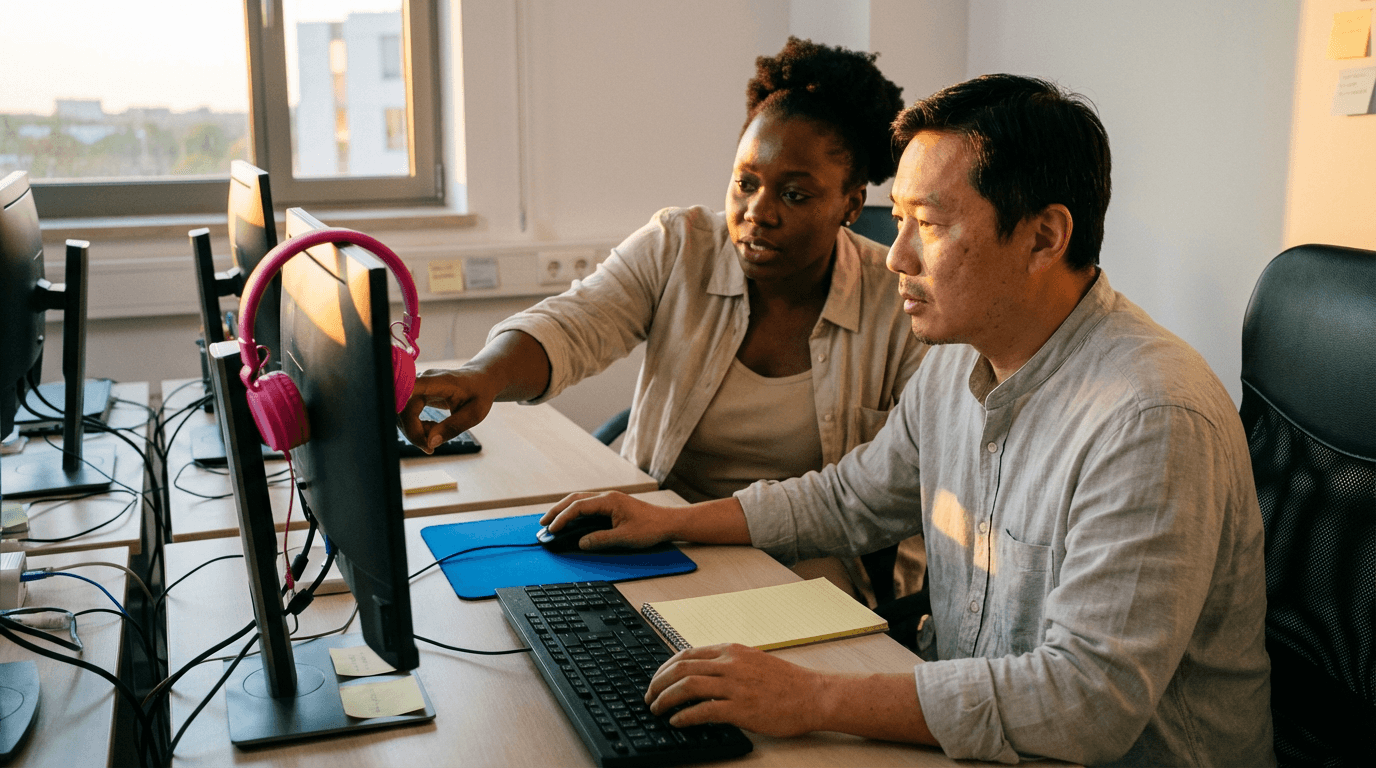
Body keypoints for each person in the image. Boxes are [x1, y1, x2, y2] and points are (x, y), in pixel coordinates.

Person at [537, 74, 1275, 767]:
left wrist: (813, 696)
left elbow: (1087, 701)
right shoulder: (959, 358)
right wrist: (670, 521)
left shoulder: (1150, 417)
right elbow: (851, 499)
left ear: (1045, 237)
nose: (896, 257)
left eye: (929, 224)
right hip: (970, 738)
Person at [400, 38, 927, 606]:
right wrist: (486, 376)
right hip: (654, 525)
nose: (758, 211)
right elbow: (578, 321)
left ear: (851, 204)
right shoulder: (680, 245)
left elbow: (887, 483)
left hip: (806, 553)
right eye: (745, 183)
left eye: (794, 194)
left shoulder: (898, 298)